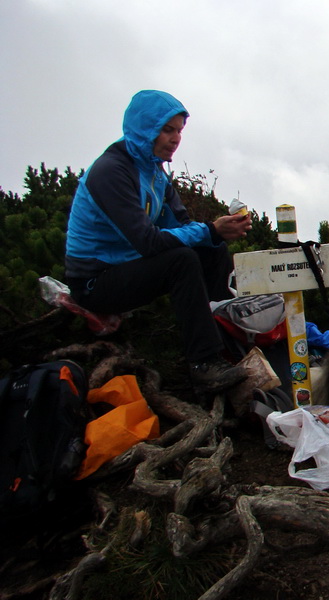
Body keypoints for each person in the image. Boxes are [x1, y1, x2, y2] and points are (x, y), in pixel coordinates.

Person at [65, 90, 251, 395]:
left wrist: (217, 232)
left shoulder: (154, 172)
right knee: (182, 260)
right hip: (93, 282)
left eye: (179, 130)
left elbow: (179, 226)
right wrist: (208, 230)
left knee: (212, 250)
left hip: (126, 266)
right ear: (144, 129)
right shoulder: (112, 171)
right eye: (167, 130)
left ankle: (226, 343)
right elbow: (149, 243)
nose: (176, 138)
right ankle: (203, 365)